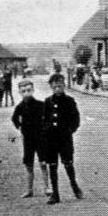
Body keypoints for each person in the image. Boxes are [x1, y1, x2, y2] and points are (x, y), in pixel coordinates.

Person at [41, 72, 83, 204]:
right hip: (51, 140)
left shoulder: (69, 101)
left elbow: (75, 119)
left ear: (64, 86)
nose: (57, 89)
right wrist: (45, 131)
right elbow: (43, 119)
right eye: (54, 87)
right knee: (52, 165)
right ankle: (55, 194)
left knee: (68, 163)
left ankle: (74, 186)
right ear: (51, 87)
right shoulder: (48, 102)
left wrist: (69, 130)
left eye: (59, 86)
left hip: (65, 139)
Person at [10, 78, 50, 198]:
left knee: (43, 162)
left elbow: (48, 117)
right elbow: (14, 118)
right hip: (28, 138)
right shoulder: (20, 107)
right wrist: (20, 127)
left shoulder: (40, 104)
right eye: (23, 91)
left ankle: (47, 187)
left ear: (33, 90)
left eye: (28, 90)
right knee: (29, 163)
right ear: (20, 92)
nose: (26, 93)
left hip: (40, 137)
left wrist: (45, 129)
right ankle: (29, 190)